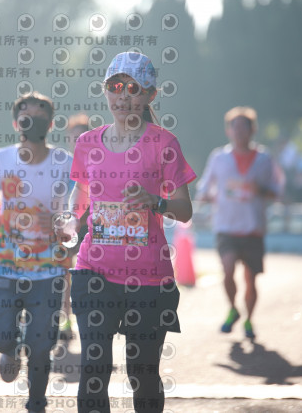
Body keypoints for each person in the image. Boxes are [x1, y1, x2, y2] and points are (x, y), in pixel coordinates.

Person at [56, 52, 196, 413]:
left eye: (133, 89)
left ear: (150, 95)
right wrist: (70, 223)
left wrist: (155, 201)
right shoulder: (88, 143)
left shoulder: (164, 144)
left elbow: (185, 210)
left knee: (142, 373)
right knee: (94, 368)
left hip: (148, 279)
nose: (123, 96)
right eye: (115, 86)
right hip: (94, 272)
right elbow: (81, 194)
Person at [0, 92, 73, 413]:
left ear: (50, 124)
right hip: (6, 262)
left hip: (48, 266)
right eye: (26, 116)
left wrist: (65, 225)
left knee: (41, 344)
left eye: (40, 116)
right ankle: (9, 348)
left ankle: (37, 403)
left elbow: (76, 207)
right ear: (16, 123)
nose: (33, 121)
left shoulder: (64, 163)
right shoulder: (1, 159)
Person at [196, 106, 282, 340]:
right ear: (228, 131)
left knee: (250, 279)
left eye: (245, 127)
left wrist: (258, 189)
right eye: (236, 127)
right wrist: (205, 196)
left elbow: (276, 191)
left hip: (253, 227)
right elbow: (204, 188)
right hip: (225, 226)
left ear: (253, 130)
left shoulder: (264, 159)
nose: (240, 132)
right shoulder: (219, 157)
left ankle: (249, 319)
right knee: (227, 270)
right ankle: (233, 308)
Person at [58, 114, 90, 343]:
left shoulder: (97, 161)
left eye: (82, 137)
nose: (77, 141)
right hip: (66, 224)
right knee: (64, 275)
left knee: (87, 276)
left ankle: (90, 321)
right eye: (74, 137)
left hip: (90, 225)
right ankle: (66, 320)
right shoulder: (62, 163)